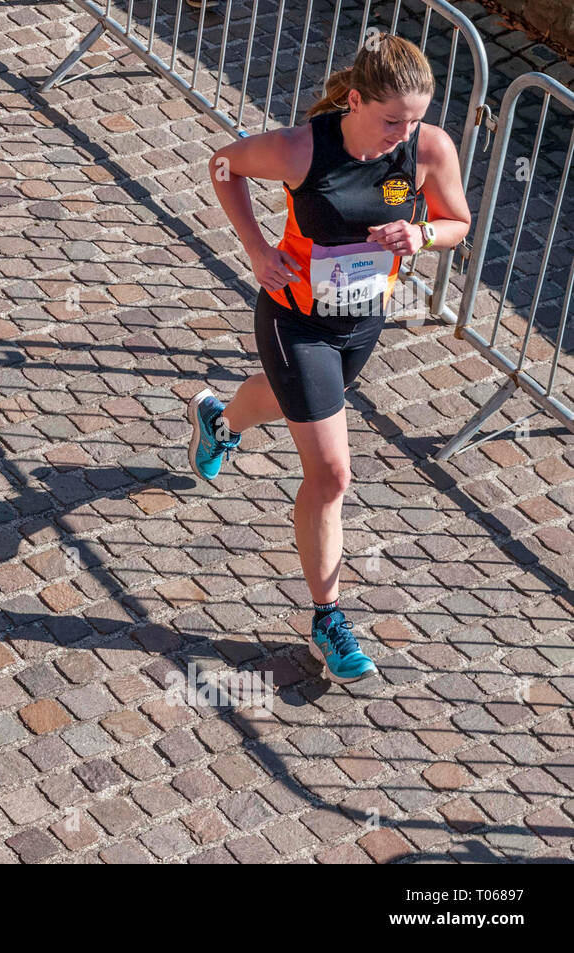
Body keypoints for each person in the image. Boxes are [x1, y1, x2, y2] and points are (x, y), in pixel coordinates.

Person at [186, 34, 471, 683]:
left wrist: (421, 233)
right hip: (296, 320)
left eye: (416, 119)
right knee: (332, 473)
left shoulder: (427, 149)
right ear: (356, 99)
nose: (406, 131)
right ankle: (328, 618)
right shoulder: (300, 148)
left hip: (362, 322)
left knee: (292, 404)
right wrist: (257, 249)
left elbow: (459, 219)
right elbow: (224, 166)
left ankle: (219, 423)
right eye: (393, 118)